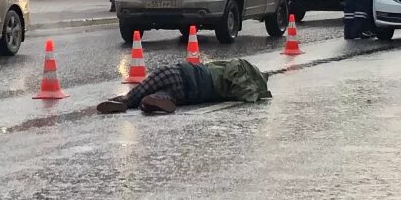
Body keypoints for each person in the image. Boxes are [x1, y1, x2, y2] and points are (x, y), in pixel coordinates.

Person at [96, 58, 272, 115]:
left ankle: (125, 101)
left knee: (142, 88)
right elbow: (247, 94)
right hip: (188, 95)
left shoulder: (237, 67)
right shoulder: (236, 87)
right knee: (165, 95)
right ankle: (153, 101)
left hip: (181, 74)